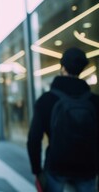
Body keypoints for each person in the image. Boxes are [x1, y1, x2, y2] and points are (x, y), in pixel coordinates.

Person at [27, 47, 99, 192]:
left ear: (62, 67)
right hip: (88, 167)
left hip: (56, 166)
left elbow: (34, 139)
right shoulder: (94, 101)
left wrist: (37, 171)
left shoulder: (46, 100)